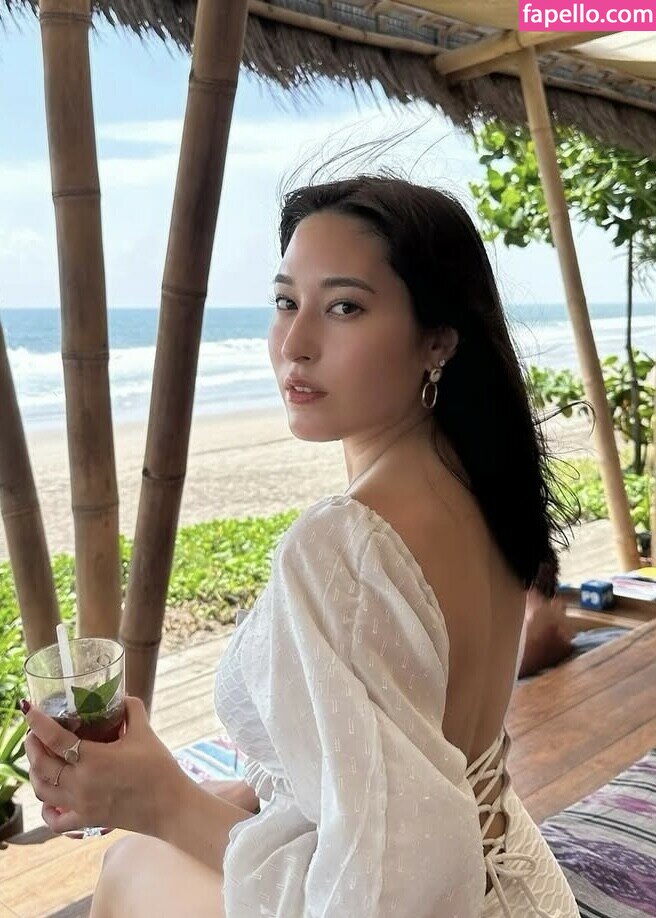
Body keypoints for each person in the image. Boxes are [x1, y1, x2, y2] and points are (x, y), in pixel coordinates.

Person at [22, 176, 581, 917]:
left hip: (441, 899)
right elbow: (403, 752)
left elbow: (382, 895)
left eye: (344, 307)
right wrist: (240, 795)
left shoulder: (344, 547)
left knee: (131, 864)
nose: (295, 344)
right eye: (286, 302)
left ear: (438, 339)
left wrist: (156, 797)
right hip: (524, 887)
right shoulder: (478, 478)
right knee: (147, 858)